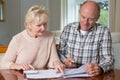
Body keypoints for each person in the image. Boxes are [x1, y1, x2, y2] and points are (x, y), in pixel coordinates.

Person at [0, 5, 64, 74]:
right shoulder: (17, 39)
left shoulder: (50, 36)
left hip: (43, 76)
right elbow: (3, 64)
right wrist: (18, 66)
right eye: (39, 25)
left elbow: (54, 58)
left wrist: (57, 63)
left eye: (45, 24)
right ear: (28, 25)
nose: (43, 28)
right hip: (21, 76)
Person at [58, 1, 114, 76]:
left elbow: (108, 59)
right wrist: (65, 61)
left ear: (97, 18)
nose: (85, 22)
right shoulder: (68, 28)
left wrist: (99, 68)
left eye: (90, 19)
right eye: (83, 17)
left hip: (91, 76)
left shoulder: (104, 32)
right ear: (79, 13)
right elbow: (60, 52)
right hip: (69, 74)